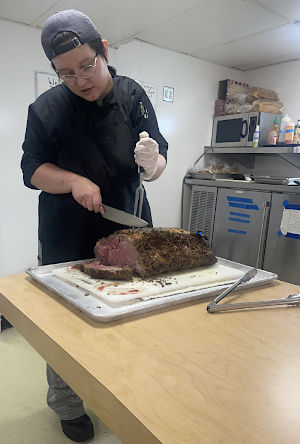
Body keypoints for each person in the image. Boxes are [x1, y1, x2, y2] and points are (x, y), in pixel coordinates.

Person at [21, 9, 168, 442]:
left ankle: (122, 386)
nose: (80, 80)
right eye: (66, 74)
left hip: (128, 226)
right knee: (65, 326)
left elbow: (158, 161)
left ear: (103, 51)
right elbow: (32, 171)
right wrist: (72, 181)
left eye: (87, 66)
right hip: (67, 234)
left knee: (132, 315)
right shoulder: (46, 109)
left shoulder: (133, 95)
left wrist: (152, 161)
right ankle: (67, 407)